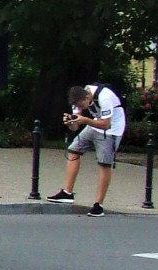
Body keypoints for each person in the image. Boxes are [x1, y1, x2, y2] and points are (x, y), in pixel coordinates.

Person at [47, 83, 126, 217]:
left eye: (82, 106)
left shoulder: (105, 96)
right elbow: (75, 127)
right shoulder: (79, 98)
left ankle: (98, 205)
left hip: (112, 130)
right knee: (73, 150)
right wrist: (71, 122)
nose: (82, 108)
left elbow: (106, 124)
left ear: (88, 97)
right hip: (94, 125)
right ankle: (67, 192)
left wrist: (84, 120)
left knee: (104, 164)